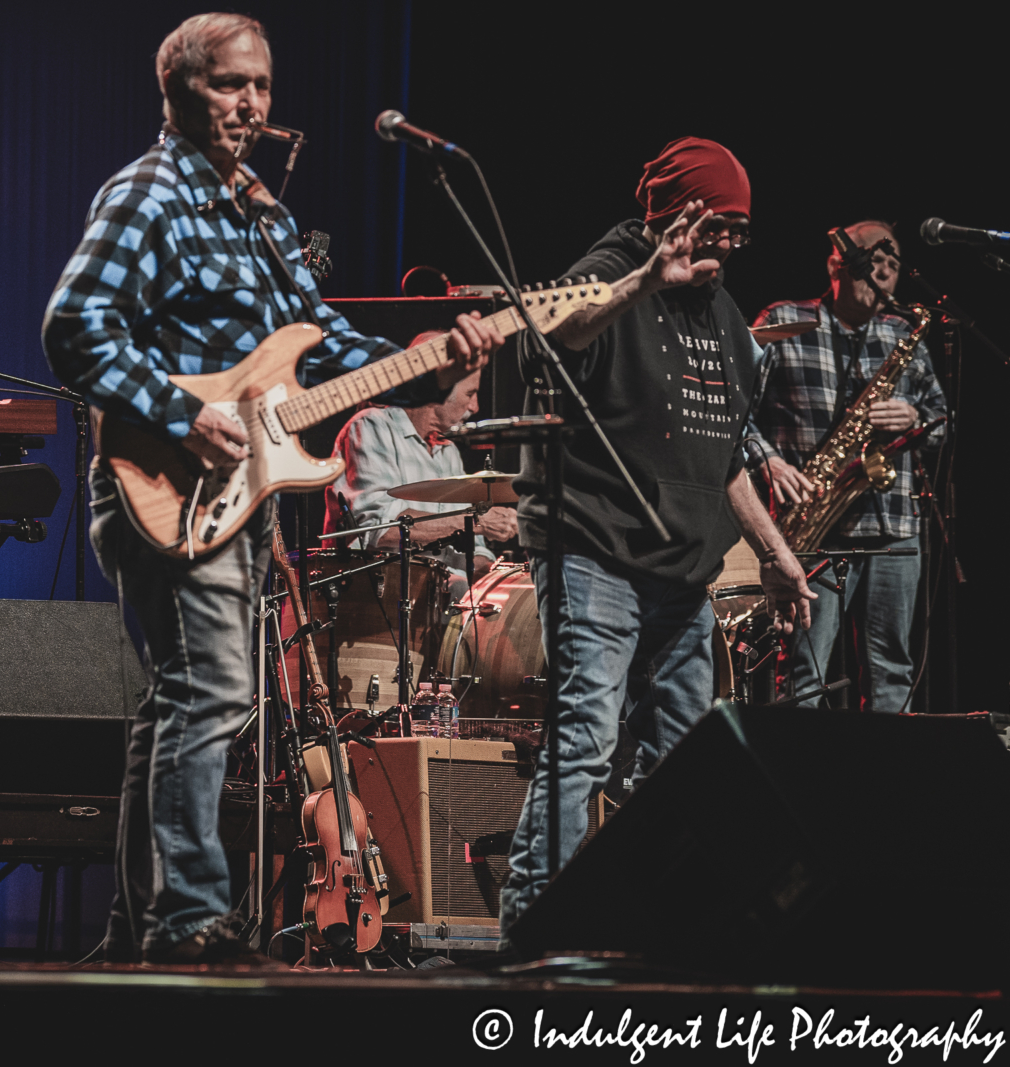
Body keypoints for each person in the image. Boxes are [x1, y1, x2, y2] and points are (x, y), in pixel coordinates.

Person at [42, 13, 500, 963]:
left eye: (261, 87)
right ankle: (189, 920)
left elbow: (319, 342)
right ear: (177, 89)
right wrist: (180, 412)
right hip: (165, 478)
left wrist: (424, 359)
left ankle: (139, 930)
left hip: (247, 491)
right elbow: (74, 326)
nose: (251, 104)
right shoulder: (148, 194)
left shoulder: (262, 211)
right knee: (210, 690)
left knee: (177, 701)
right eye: (229, 84)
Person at [500, 138, 814, 933]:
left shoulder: (722, 312)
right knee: (586, 735)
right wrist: (644, 280)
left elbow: (724, 454)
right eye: (719, 230)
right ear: (680, 215)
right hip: (594, 546)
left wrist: (777, 554)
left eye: (740, 234)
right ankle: (537, 924)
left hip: (681, 567)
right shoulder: (606, 268)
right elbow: (555, 334)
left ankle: (665, 924)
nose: (729, 249)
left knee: (688, 754)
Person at [748, 221, 946, 711]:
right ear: (838, 263)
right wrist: (768, 460)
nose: (883, 271)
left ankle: (885, 782)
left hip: (894, 526)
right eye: (872, 259)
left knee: (891, 671)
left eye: (893, 264)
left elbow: (943, 422)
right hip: (813, 529)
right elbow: (732, 413)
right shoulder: (785, 320)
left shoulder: (905, 335)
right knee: (804, 674)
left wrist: (917, 417)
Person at [325, 362, 519, 599]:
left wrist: (487, 571)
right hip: (375, 602)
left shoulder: (448, 451)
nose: (475, 406)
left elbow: (474, 546)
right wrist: (477, 522)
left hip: (437, 602)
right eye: (470, 393)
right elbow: (378, 529)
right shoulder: (372, 425)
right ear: (437, 389)